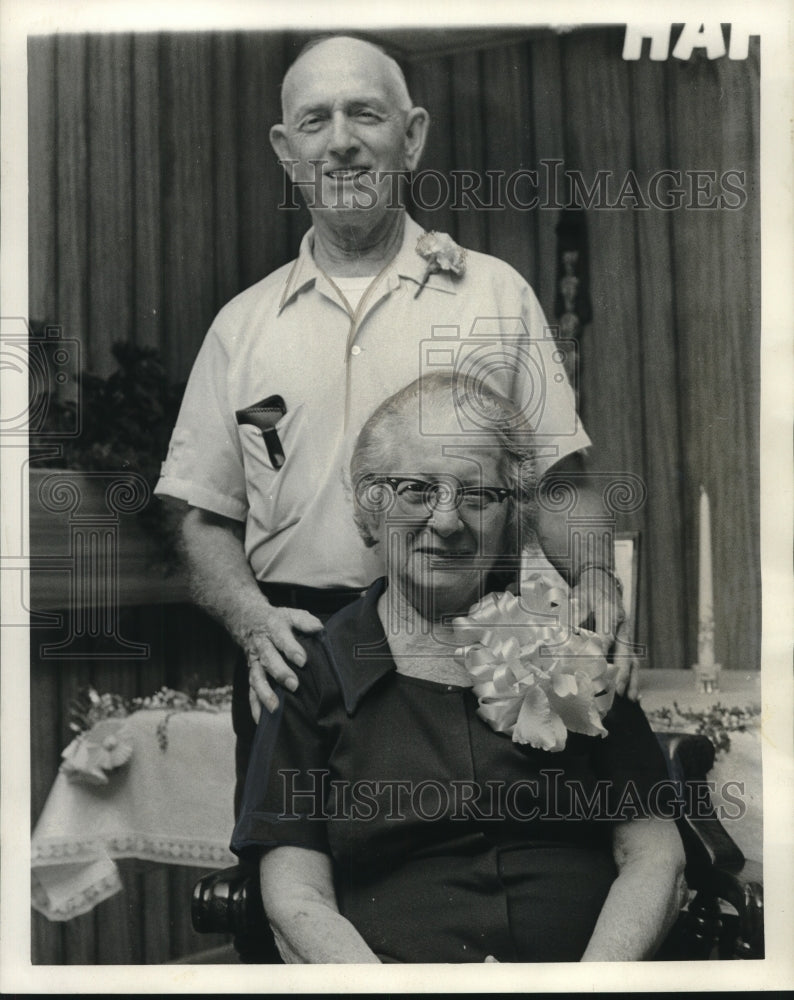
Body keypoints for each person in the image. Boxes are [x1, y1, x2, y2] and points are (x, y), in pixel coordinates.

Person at [154, 34, 636, 816]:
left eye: (364, 114)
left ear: (410, 136)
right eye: (315, 122)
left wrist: (598, 580)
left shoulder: (492, 294)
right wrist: (251, 622)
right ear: (286, 151)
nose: (341, 141)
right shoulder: (239, 329)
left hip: (475, 638)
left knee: (465, 884)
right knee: (287, 890)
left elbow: (558, 480)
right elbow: (202, 517)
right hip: (301, 647)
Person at [230, 373, 686, 963]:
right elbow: (296, 899)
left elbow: (656, 858)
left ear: (513, 519)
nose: (446, 522)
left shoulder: (577, 649)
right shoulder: (310, 668)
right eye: (416, 490)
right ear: (370, 511)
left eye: (477, 496)